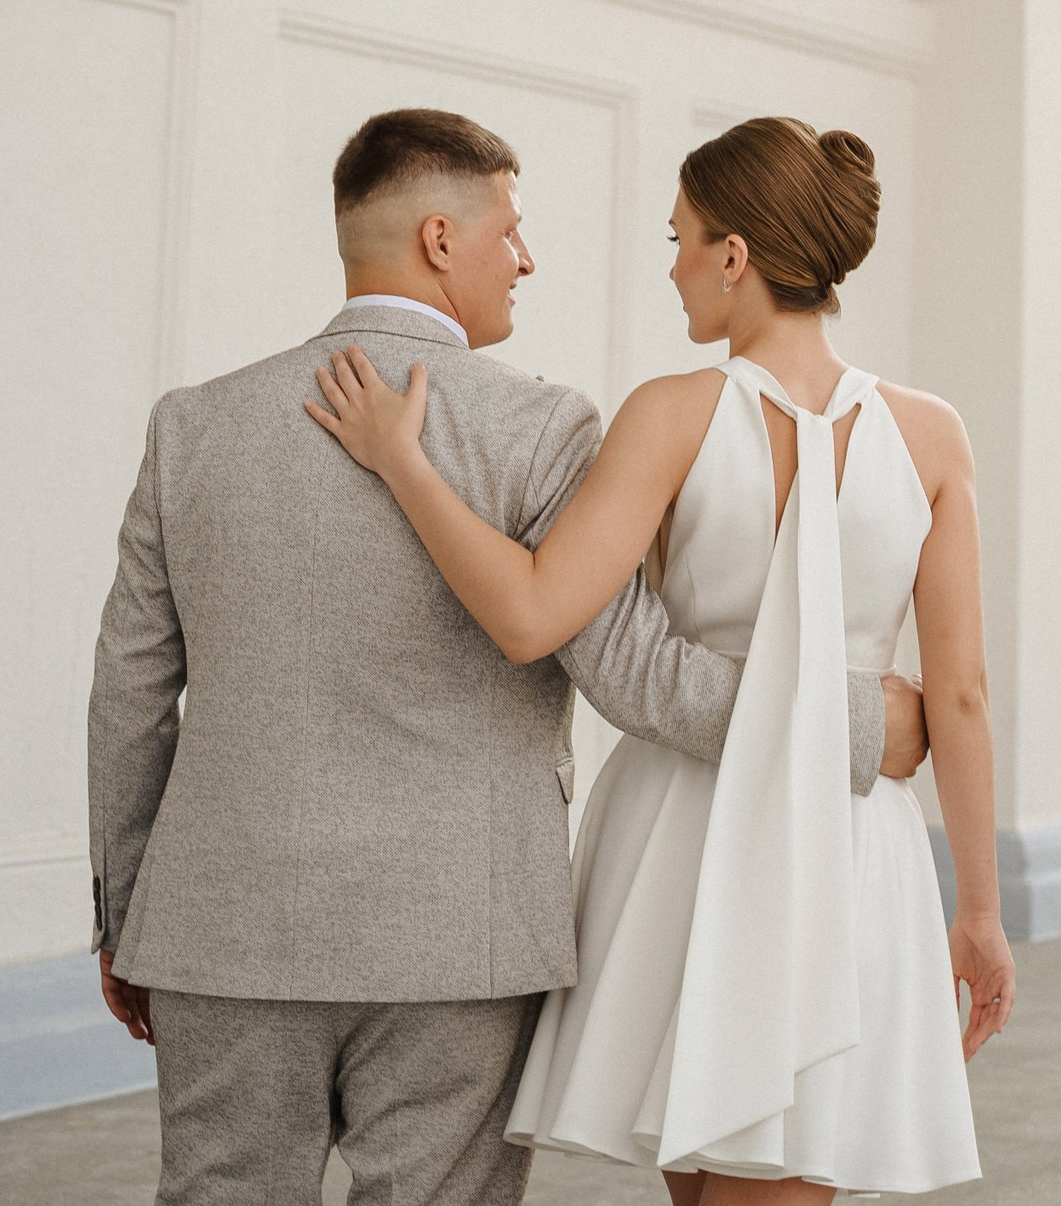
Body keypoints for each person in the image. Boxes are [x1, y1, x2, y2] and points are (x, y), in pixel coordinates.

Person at [87, 107, 926, 1206]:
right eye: (511, 231)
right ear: (440, 239)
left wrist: (124, 913)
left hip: (219, 932)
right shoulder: (540, 430)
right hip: (461, 942)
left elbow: (129, 697)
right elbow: (637, 674)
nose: (526, 258)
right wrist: (872, 726)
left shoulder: (195, 425)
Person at [308, 114, 1014, 1203]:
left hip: (686, 833)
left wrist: (406, 465)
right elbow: (957, 697)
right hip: (850, 837)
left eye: (681, 238)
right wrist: (977, 910)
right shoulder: (932, 435)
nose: (673, 264)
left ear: (735, 258)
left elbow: (533, 614)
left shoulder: (671, 416)